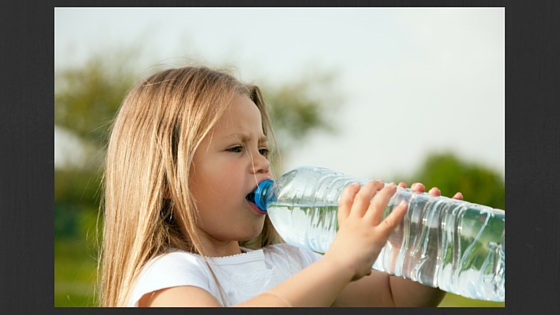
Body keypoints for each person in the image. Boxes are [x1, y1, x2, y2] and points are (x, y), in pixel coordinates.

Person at [99, 65, 463, 307]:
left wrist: (427, 254)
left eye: (262, 148)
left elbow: (392, 298)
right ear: (167, 177)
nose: (260, 162)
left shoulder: (292, 260)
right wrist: (338, 263)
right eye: (236, 148)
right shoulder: (170, 277)